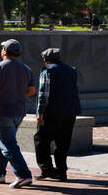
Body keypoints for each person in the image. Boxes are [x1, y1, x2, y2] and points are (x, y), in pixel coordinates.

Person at [0, 39, 36, 188]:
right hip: (19, 112)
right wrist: (18, 95)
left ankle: (23, 174)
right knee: (4, 141)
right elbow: (31, 91)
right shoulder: (26, 69)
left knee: (8, 144)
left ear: (4, 51)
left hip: (2, 111)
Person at [34, 47, 81, 182]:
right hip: (70, 112)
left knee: (41, 140)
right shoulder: (71, 70)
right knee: (62, 142)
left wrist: (40, 112)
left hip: (52, 112)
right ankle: (61, 172)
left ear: (45, 60)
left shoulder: (47, 70)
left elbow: (44, 93)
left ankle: (47, 169)